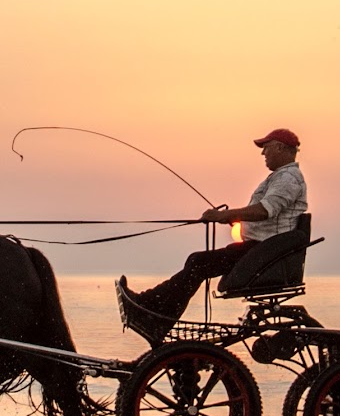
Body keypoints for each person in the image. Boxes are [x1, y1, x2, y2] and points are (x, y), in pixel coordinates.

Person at [118, 128, 308, 344]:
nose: (263, 153)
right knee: (197, 261)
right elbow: (265, 215)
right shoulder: (281, 177)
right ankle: (151, 308)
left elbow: (265, 210)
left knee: (198, 262)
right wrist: (232, 218)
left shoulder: (288, 178)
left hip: (264, 251)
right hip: (259, 249)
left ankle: (152, 313)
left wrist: (224, 214)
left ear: (280, 147)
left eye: (266, 148)